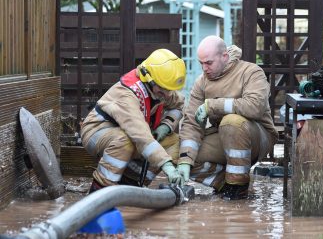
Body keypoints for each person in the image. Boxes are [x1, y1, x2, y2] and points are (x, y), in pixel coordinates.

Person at [176, 36, 279, 200]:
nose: (204, 68)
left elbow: (255, 107)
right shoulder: (201, 82)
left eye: (208, 63)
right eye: (201, 63)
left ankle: (237, 186)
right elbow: (191, 123)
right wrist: (184, 161)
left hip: (258, 136)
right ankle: (223, 183)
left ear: (224, 56)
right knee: (178, 152)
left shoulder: (251, 72)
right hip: (223, 135)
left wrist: (213, 106)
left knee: (231, 122)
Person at [80, 49, 186, 192]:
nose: (167, 95)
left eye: (169, 90)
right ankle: (100, 190)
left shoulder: (161, 87)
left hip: (132, 135)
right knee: (125, 140)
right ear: (149, 79)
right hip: (97, 131)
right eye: (163, 90)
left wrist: (166, 126)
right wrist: (166, 165)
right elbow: (141, 136)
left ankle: (132, 183)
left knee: (174, 142)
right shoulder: (127, 95)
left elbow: (179, 105)